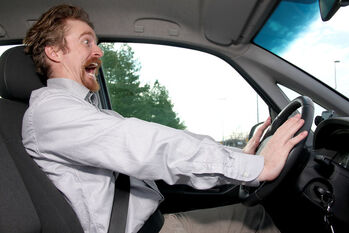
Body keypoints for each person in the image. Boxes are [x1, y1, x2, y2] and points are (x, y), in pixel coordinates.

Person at [21, 4, 308, 233]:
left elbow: (158, 145)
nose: (98, 51)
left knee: (254, 214)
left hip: (154, 220)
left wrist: (237, 155)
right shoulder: (51, 112)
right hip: (144, 228)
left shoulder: (85, 110)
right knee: (258, 219)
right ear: (55, 51)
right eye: (86, 42)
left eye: (96, 43)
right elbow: (145, 144)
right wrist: (257, 166)